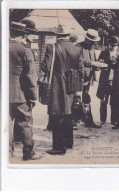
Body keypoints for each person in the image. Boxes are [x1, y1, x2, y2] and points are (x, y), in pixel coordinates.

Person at [41, 25, 83, 155]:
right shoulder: (77, 49)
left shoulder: (52, 48)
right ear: (68, 35)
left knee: (56, 116)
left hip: (57, 87)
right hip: (71, 87)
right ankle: (69, 143)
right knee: (68, 115)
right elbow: (80, 70)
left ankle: (58, 148)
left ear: (57, 35)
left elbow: (45, 67)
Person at [9, 22, 40, 160]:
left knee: (6, 124)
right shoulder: (25, 50)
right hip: (21, 94)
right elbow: (30, 76)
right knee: (25, 124)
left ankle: (7, 153)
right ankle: (28, 153)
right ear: (24, 34)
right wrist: (33, 96)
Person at [77, 29, 103, 128]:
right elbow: (78, 60)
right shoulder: (78, 47)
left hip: (88, 78)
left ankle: (88, 120)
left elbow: (94, 61)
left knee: (86, 97)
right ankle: (76, 121)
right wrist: (91, 63)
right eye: (92, 41)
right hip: (79, 78)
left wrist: (98, 64)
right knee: (77, 99)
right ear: (87, 39)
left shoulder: (92, 49)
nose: (94, 43)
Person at [97, 36, 119, 126]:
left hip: (115, 81)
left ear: (117, 45)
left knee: (114, 102)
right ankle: (102, 120)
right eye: (110, 45)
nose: (111, 47)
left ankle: (114, 120)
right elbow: (98, 63)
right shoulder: (103, 52)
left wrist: (115, 63)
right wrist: (100, 62)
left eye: (114, 45)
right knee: (103, 101)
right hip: (105, 80)